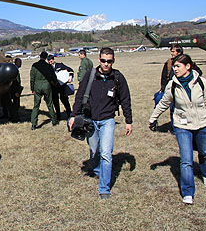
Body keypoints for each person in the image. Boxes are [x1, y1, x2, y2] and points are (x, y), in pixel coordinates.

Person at [149, 54, 206, 205]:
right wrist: (153, 118)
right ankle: (188, 192)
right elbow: (163, 103)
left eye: (178, 66)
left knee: (205, 152)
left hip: (202, 124)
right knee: (186, 160)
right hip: (182, 126)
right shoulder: (172, 85)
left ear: (188, 66)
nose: (175, 69)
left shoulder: (201, 82)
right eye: (174, 66)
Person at [68, 47, 133, 199]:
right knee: (94, 149)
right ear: (99, 60)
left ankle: (104, 188)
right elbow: (79, 97)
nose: (106, 64)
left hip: (108, 120)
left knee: (106, 153)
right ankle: (97, 170)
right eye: (103, 61)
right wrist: (73, 115)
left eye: (109, 61)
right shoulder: (91, 75)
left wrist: (128, 121)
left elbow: (125, 100)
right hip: (90, 120)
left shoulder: (118, 78)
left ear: (113, 61)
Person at [30, 51, 58, 130]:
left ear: (40, 56)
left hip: (37, 86)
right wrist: (55, 83)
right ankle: (54, 121)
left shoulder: (34, 66)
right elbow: (53, 76)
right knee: (49, 104)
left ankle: (34, 124)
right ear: (46, 57)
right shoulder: (48, 66)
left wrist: (32, 88)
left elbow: (32, 78)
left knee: (36, 105)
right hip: (46, 85)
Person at [47, 54, 73, 120]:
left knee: (65, 100)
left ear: (53, 60)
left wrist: (70, 76)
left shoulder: (60, 65)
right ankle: (58, 116)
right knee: (55, 101)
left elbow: (70, 70)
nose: (50, 63)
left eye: (51, 61)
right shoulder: (48, 67)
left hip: (62, 86)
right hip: (54, 87)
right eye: (49, 62)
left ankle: (69, 114)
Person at [1, 57, 23, 122]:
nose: (21, 64)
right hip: (13, 91)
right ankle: (15, 118)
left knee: (10, 105)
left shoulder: (12, 70)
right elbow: (16, 83)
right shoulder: (14, 71)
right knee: (15, 106)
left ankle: (11, 117)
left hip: (10, 91)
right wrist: (17, 92)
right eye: (19, 62)